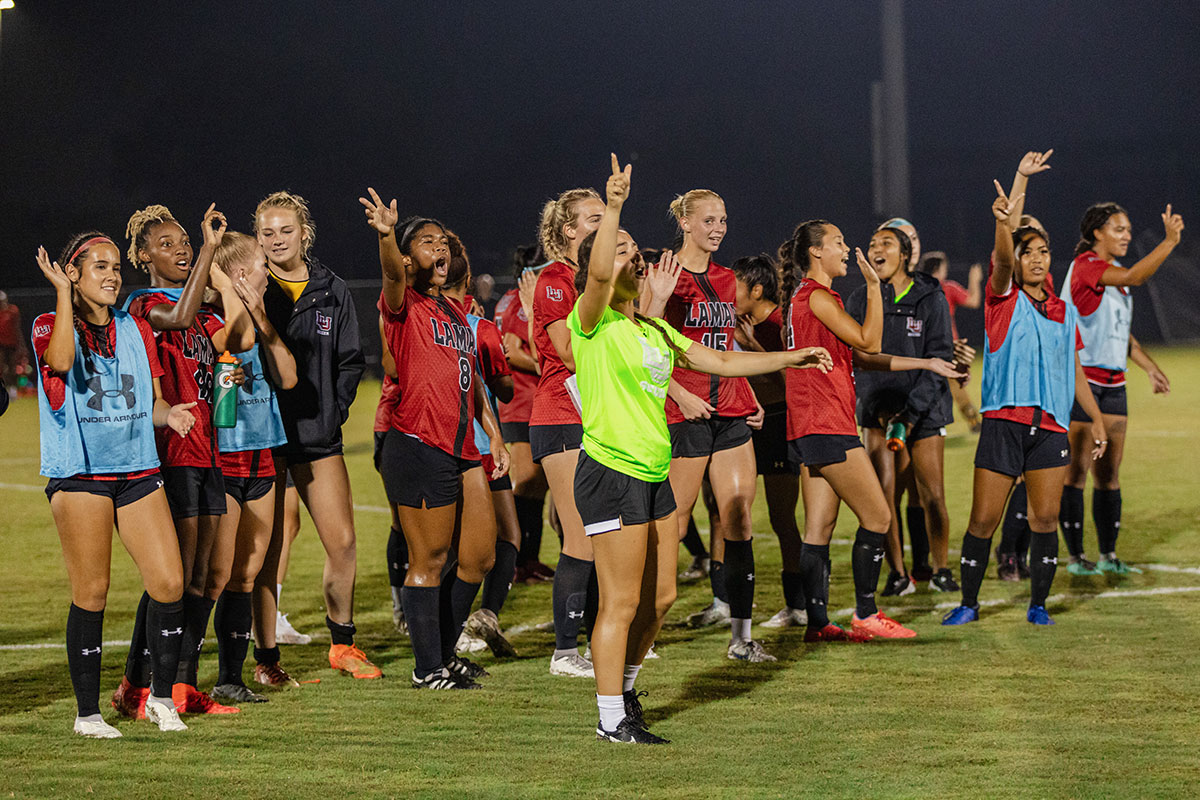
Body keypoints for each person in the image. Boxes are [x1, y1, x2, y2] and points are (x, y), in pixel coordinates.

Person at [572, 156, 832, 742]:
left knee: (660, 597)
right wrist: (613, 209)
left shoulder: (652, 329)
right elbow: (595, 281)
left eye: (633, 252)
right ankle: (611, 720)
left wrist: (791, 358)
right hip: (610, 472)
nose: (630, 257)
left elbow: (722, 360)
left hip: (650, 473)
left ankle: (626, 691)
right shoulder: (591, 322)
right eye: (620, 251)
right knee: (619, 602)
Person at [33, 235, 193, 736]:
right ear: (72, 272)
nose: (112, 274)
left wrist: (174, 416)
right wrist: (62, 295)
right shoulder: (47, 324)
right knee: (93, 591)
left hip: (138, 470)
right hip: (82, 475)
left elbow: (153, 404)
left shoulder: (135, 328)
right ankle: (88, 714)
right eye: (98, 266)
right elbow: (60, 363)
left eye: (116, 266)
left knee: (169, 582)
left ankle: (161, 699)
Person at [942, 153, 1109, 627]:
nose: (1035, 259)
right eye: (1026, 252)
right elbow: (1000, 256)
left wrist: (1094, 418)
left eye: (1043, 252)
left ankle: (1038, 605)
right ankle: (969, 604)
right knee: (982, 521)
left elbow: (1074, 368)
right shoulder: (1002, 299)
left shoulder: (1061, 309)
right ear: (1015, 260)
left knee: (1043, 520)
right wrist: (1014, 193)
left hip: (1051, 429)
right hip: (1002, 424)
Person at [780, 220, 963, 642]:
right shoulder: (819, 298)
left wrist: (926, 363)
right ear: (816, 253)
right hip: (828, 425)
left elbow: (860, 360)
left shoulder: (805, 299)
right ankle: (866, 613)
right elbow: (869, 340)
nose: (848, 248)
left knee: (818, 529)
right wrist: (874, 287)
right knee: (879, 515)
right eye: (838, 242)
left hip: (809, 427)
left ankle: (819, 623)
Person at [360, 189, 509, 689]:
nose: (439, 249)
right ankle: (429, 669)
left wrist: (496, 437)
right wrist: (385, 235)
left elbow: (475, 385)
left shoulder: (453, 313)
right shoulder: (404, 305)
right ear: (407, 257)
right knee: (429, 561)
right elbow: (390, 275)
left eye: (442, 242)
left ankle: (443, 653)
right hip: (418, 442)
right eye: (426, 243)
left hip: (464, 447)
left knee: (480, 556)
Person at [117, 203, 251, 716]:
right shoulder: (143, 303)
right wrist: (210, 253)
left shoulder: (204, 316)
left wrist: (234, 374)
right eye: (167, 244)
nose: (181, 250)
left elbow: (236, 341)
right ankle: (146, 684)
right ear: (143, 254)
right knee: (171, 579)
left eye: (185, 243)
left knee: (204, 578)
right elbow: (178, 316)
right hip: (171, 455)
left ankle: (174, 685)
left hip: (208, 451)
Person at [640, 189, 772, 662]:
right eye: (709, 220)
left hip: (731, 410)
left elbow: (724, 343)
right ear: (685, 223)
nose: (718, 227)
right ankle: (644, 631)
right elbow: (643, 343)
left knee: (737, 517)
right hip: (684, 415)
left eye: (723, 219)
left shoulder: (725, 277)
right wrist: (678, 392)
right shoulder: (662, 275)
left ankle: (741, 638)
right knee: (673, 524)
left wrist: (750, 392)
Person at [257, 191, 379, 680]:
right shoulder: (251, 285)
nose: (277, 240)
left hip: (316, 435)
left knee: (343, 541)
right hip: (263, 433)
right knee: (267, 550)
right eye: (267, 232)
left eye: (286, 230)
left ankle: (342, 644)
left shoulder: (333, 289)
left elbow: (350, 361)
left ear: (304, 233)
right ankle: (266, 657)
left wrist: (335, 409)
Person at [1060, 202, 1183, 574]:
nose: (1126, 235)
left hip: (1114, 383)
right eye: (1118, 229)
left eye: (1128, 229)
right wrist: (1169, 242)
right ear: (1097, 233)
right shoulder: (1087, 268)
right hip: (1083, 382)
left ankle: (1109, 555)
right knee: (1076, 473)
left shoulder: (1113, 276)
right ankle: (1076, 557)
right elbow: (1135, 277)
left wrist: (1149, 367)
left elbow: (1120, 334)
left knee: (1110, 475)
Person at [208, 232, 298, 702]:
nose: (270, 267)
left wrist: (261, 317)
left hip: (263, 453)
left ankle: (230, 678)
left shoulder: (260, 320)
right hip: (225, 458)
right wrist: (229, 366)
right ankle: (178, 679)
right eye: (262, 261)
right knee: (217, 575)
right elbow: (222, 406)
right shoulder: (215, 323)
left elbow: (287, 376)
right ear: (240, 274)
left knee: (246, 573)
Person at [846, 226, 962, 595]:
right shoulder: (860, 298)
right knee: (884, 495)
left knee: (933, 495)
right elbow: (856, 361)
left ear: (905, 254)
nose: (876, 249)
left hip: (923, 411)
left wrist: (910, 416)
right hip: (879, 414)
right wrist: (879, 412)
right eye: (872, 243)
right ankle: (898, 574)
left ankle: (941, 569)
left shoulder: (930, 295)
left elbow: (940, 357)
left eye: (886, 244)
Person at [529, 187, 606, 677]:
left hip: (598, 415)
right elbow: (570, 353)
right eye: (595, 217)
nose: (606, 223)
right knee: (579, 535)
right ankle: (564, 652)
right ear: (569, 230)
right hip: (561, 416)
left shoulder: (600, 279)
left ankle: (602, 637)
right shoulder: (556, 280)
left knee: (603, 532)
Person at [441, 249, 521, 658]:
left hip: (438, 443)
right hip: (483, 445)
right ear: (468, 280)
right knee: (504, 538)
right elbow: (503, 389)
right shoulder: (480, 328)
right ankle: (480, 615)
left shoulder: (428, 324)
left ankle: (458, 624)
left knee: (451, 546)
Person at [730, 254, 805, 628]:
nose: (729, 294)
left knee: (781, 518)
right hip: (744, 423)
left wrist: (753, 345)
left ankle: (797, 603)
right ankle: (724, 599)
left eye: (736, 287)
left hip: (778, 424)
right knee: (729, 511)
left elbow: (790, 385)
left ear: (756, 290)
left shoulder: (779, 324)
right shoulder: (733, 324)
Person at [498, 247, 555, 583]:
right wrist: (549, 365)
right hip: (524, 402)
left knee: (534, 488)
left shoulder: (510, 295)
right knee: (526, 485)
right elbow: (511, 349)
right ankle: (515, 562)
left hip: (525, 401)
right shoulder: (523, 299)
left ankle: (527, 561)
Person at [919, 252, 984, 430]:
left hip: (922, 348)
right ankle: (973, 420)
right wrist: (974, 279)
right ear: (937, 269)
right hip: (949, 346)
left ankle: (918, 422)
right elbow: (973, 301)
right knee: (956, 385)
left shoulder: (915, 289)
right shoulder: (947, 287)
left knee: (925, 386)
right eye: (944, 268)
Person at [0, 290, 27, 397]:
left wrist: (22, 345)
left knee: (12, 368)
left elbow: (17, 328)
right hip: (0, 345)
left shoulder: (13, 311)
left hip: (12, 344)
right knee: (2, 368)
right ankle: (3, 390)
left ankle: (12, 390)